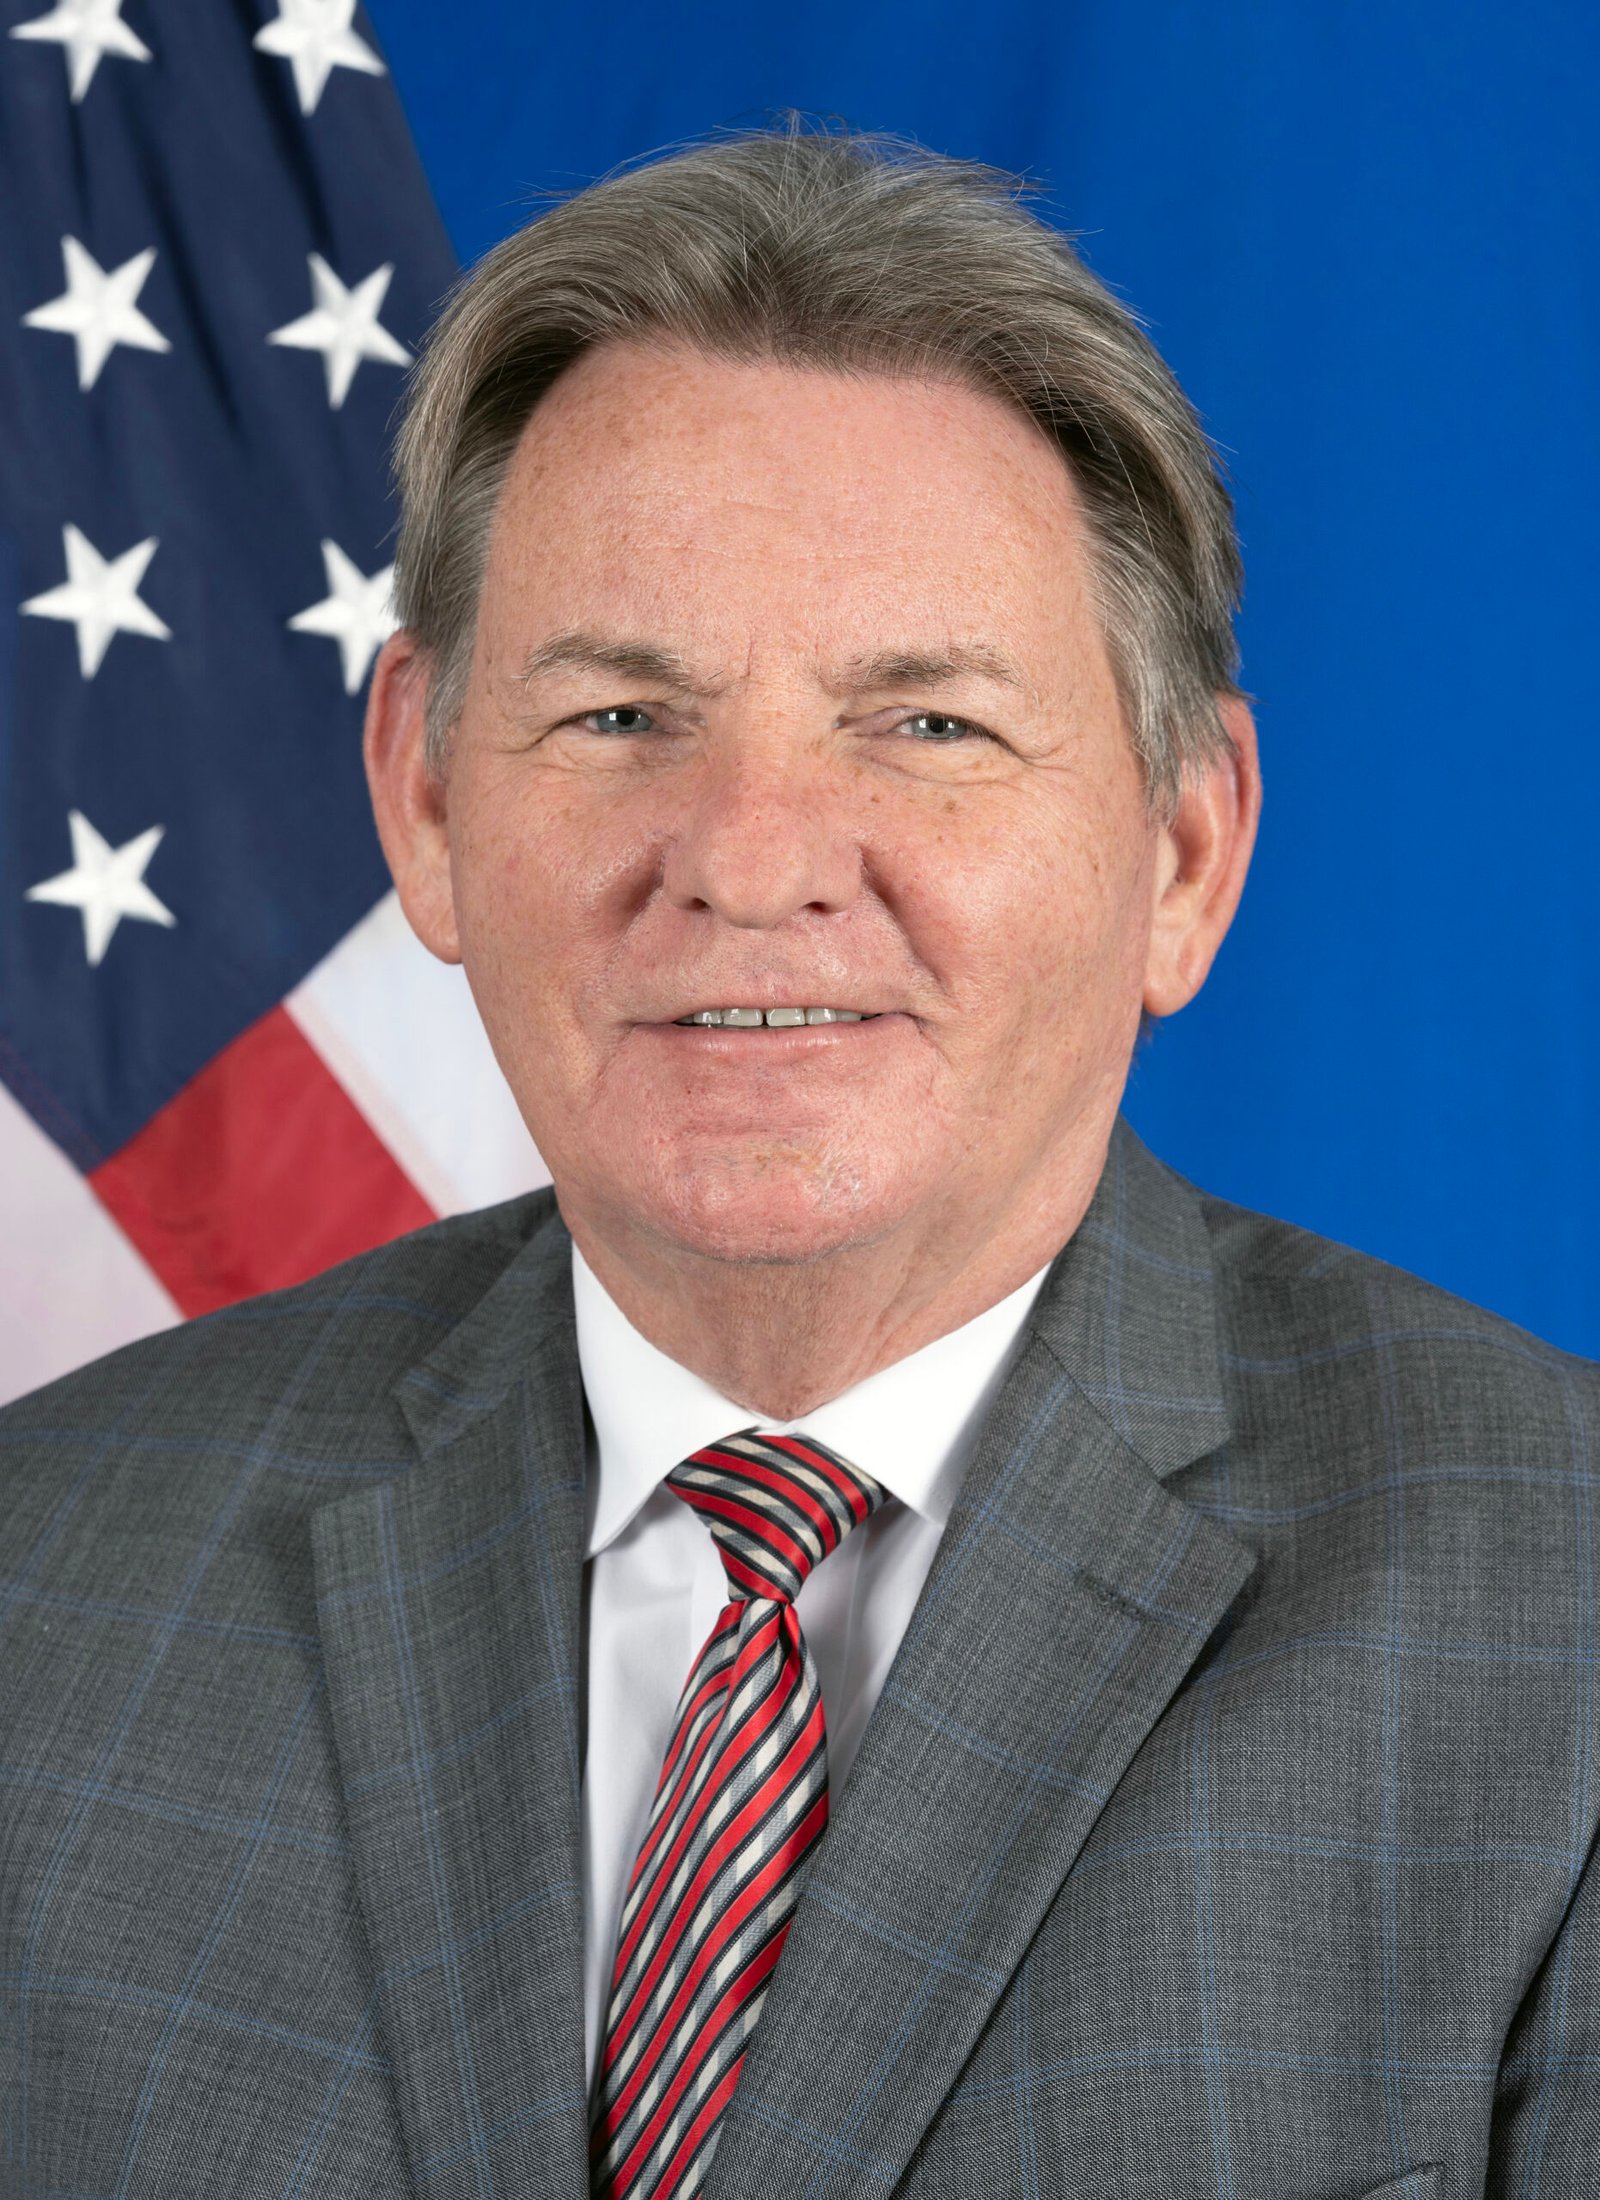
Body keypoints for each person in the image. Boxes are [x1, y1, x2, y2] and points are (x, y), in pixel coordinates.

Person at [1, 125, 1595, 2200]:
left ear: (1183, 847)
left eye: (922, 724)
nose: (749, 860)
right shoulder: (47, 1581)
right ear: (420, 800)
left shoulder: (1555, 1624)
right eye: (615, 715)